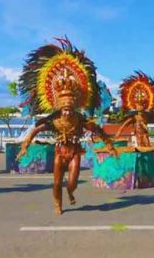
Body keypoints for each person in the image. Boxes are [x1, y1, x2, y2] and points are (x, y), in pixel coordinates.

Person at [17, 37, 116, 215]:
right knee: (56, 183)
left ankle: (70, 192)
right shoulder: (53, 120)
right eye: (64, 110)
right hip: (60, 152)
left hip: (75, 151)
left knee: (72, 182)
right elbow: (36, 129)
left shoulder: (80, 119)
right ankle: (58, 204)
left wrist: (109, 145)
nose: (67, 113)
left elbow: (96, 130)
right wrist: (25, 145)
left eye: (70, 110)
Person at [114, 71, 154, 147]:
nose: (140, 107)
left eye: (142, 104)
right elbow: (125, 123)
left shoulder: (147, 115)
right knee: (141, 143)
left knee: (146, 142)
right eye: (138, 105)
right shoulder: (135, 117)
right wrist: (119, 132)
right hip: (138, 133)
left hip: (145, 132)